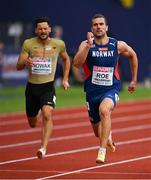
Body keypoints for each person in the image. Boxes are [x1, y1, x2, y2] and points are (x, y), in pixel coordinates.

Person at [73, 14, 138, 163]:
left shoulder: (117, 45)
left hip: (111, 89)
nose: (98, 27)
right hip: (92, 92)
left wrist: (133, 80)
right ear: (92, 28)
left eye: (101, 24)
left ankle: (101, 151)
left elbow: (133, 55)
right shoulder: (85, 45)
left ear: (106, 27)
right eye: (95, 25)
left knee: (105, 111)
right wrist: (88, 47)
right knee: (97, 131)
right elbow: (76, 64)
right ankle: (107, 137)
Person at [16, 17, 70, 159]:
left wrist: (65, 79)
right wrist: (25, 62)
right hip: (32, 88)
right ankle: (38, 110)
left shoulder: (58, 44)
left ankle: (43, 148)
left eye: (45, 28)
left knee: (47, 114)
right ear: (36, 30)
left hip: (48, 87)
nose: (43, 31)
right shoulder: (28, 43)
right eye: (40, 28)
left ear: (50, 29)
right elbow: (18, 66)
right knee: (32, 123)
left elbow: (66, 59)